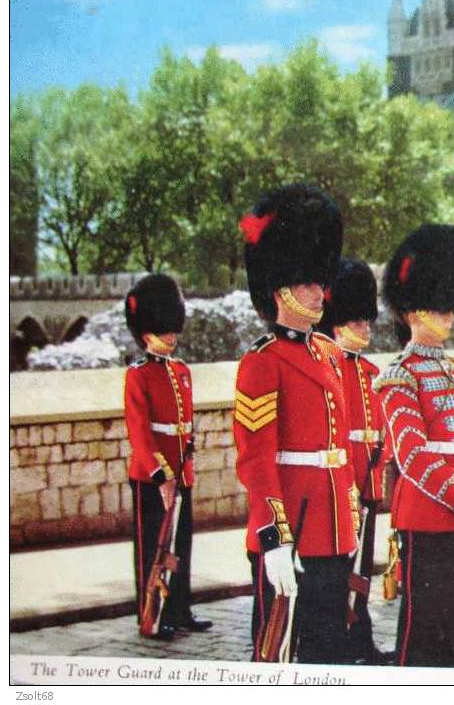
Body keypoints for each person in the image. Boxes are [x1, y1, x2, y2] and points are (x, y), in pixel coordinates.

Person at [233, 183, 360, 663]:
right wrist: (273, 539)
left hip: (331, 529)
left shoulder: (328, 352)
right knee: (280, 659)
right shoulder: (262, 361)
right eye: (307, 282)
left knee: (331, 657)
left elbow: (340, 446)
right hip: (294, 529)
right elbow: (256, 461)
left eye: (318, 280)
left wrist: (348, 521)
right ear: (280, 288)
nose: (318, 290)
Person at [374, 224, 454, 668]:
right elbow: (411, 454)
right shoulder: (399, 375)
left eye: (451, 307)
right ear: (412, 312)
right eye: (439, 306)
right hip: (428, 519)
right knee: (424, 631)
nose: (449, 315)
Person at [124, 273, 212, 641]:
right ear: (147, 333)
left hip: (182, 474)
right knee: (154, 550)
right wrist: (162, 477)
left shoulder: (181, 372)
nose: (173, 337)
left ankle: (180, 608)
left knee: (182, 547)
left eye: (174, 330)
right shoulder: (138, 376)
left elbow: (184, 426)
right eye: (166, 330)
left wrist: (182, 471)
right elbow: (141, 435)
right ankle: (152, 612)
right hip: (152, 478)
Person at [319, 257, 394, 665]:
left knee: (362, 569)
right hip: (342, 486)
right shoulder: (328, 367)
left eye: (367, 320)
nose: (366, 327)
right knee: (338, 571)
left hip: (367, 484)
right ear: (337, 322)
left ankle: (360, 638)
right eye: (358, 321)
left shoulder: (369, 371)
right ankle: (341, 641)